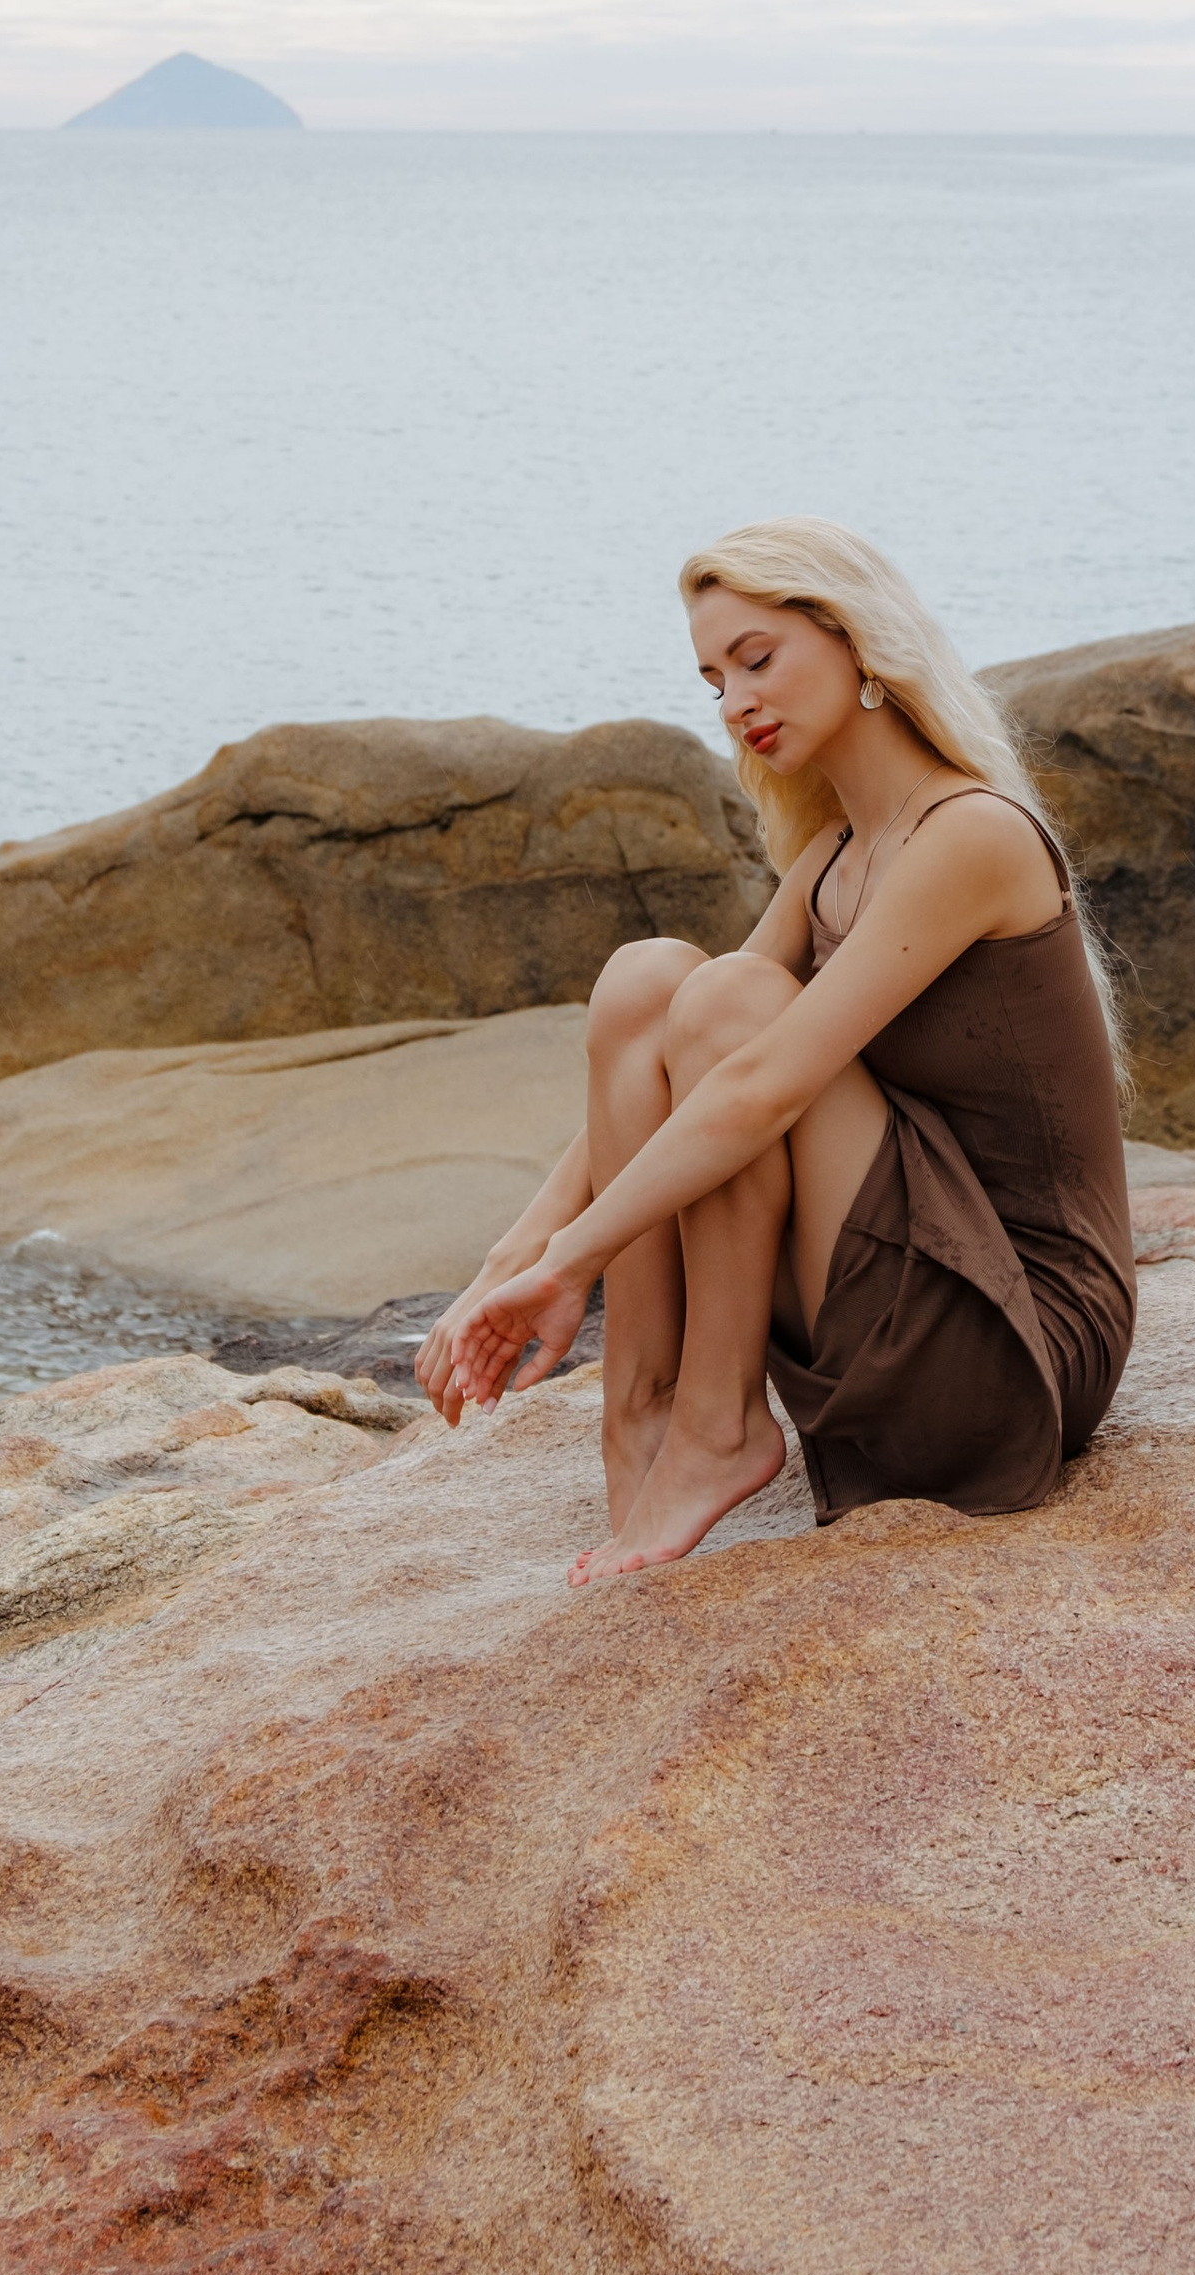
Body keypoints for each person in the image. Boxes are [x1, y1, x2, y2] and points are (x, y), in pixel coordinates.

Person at [417, 519, 1134, 1581]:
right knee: (648, 982)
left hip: (1017, 1348)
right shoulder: (835, 856)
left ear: (859, 640)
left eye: (758, 660)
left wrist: (573, 1264)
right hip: (899, 1288)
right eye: (715, 681)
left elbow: (754, 1083)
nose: (735, 703)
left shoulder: (972, 834)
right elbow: (666, 1068)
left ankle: (718, 1425)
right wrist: (511, 1257)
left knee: (729, 1004)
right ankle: (643, 1415)